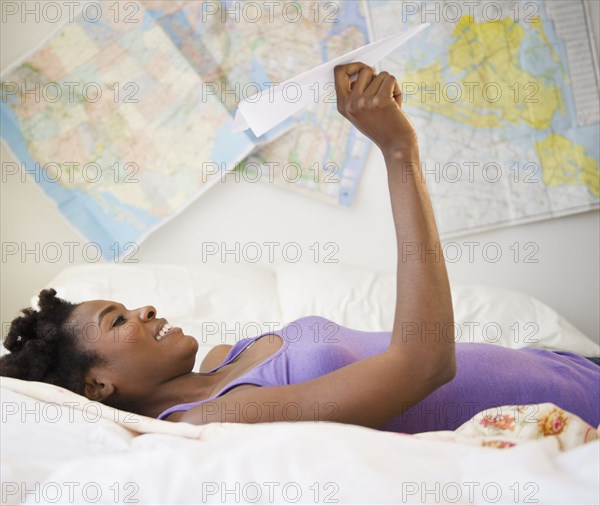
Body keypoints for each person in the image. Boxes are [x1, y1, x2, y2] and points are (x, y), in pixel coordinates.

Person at [1, 63, 598, 433]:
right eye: (118, 320)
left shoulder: (222, 364)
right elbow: (424, 365)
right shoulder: (212, 417)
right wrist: (397, 152)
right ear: (99, 387)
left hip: (566, 369)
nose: (145, 310)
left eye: (129, 306)